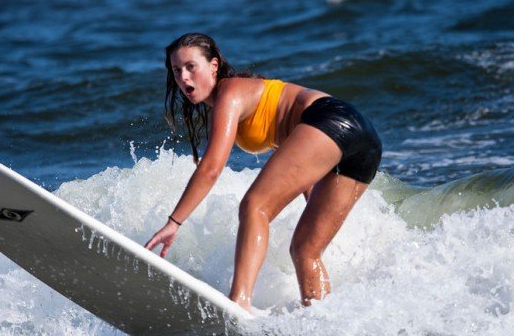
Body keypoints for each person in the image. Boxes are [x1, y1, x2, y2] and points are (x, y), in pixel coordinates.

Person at [145, 33, 382, 311]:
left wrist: (174, 223)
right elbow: (302, 164)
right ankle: (322, 322)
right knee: (306, 250)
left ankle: (239, 303)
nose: (184, 77)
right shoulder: (249, 101)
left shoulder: (230, 94)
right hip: (364, 140)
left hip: (332, 119)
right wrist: (314, 203)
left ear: (214, 66)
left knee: (254, 206)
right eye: (176, 70)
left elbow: (211, 169)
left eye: (191, 67)